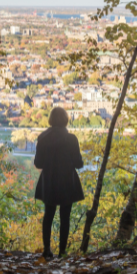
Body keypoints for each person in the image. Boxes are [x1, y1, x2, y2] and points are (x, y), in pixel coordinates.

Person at [34, 107, 85, 259]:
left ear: (50, 119)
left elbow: (38, 163)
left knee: (48, 216)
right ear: (65, 120)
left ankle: (46, 250)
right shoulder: (71, 139)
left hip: (48, 181)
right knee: (65, 217)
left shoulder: (42, 137)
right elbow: (78, 163)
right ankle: (62, 252)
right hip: (67, 182)